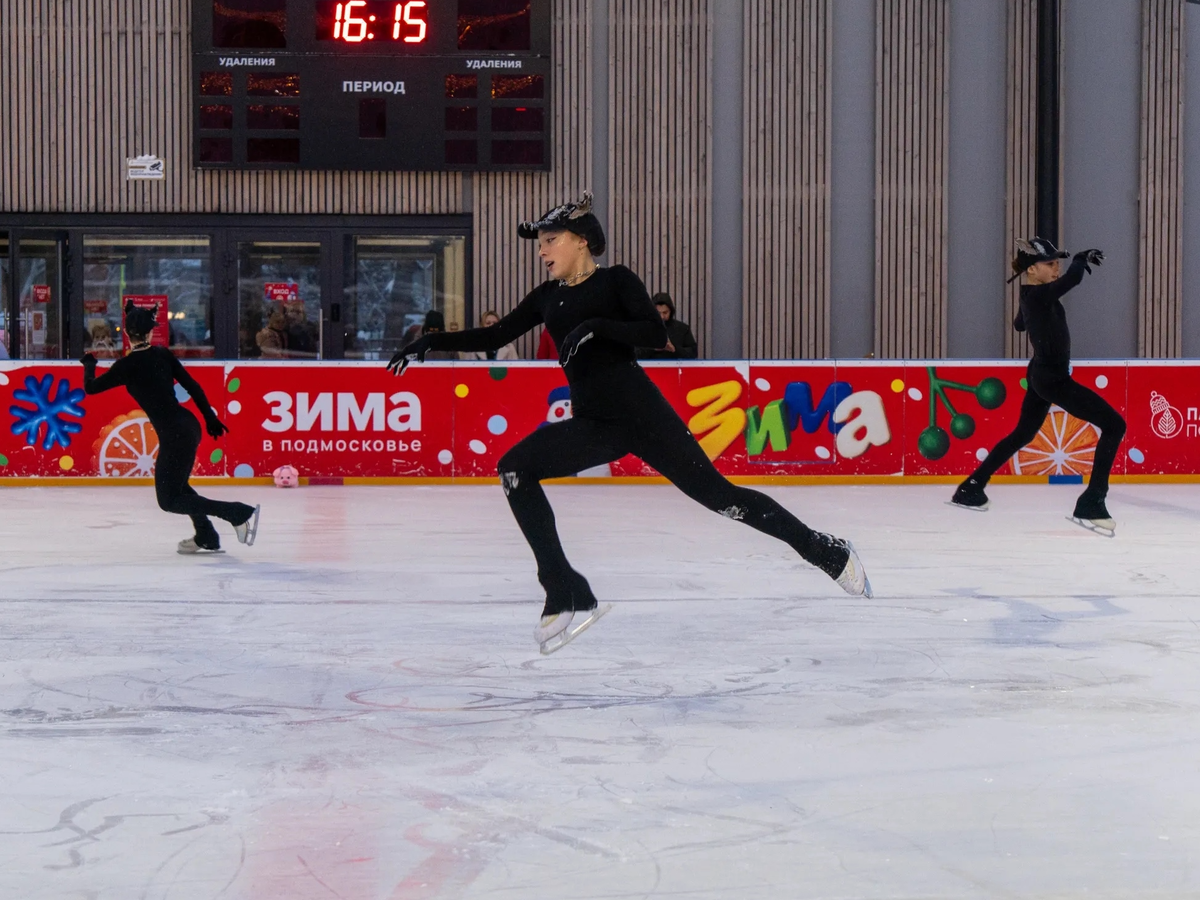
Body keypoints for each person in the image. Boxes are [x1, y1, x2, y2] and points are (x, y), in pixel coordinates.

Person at [388, 192, 871, 654]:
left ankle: (825, 551)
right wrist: (431, 342)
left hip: (643, 416)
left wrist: (595, 326)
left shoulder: (616, 281)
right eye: (540, 245)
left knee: (723, 499)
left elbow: (653, 332)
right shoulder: (546, 297)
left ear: (579, 240)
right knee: (515, 468)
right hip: (596, 422)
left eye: (549, 241)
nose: (542, 252)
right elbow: (495, 333)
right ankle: (564, 587)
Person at [950, 237, 1126, 535]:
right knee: (1115, 425)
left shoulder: (1033, 297)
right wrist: (1080, 259)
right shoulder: (1038, 297)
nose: (1057, 268)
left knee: (1022, 434)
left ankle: (972, 487)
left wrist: (1030, 318)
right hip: (1053, 379)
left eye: (1058, 262)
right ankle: (1092, 502)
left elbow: (1019, 325)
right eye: (1050, 263)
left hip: (1041, 374)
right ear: (1032, 270)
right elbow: (1072, 279)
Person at [81, 300, 261, 554]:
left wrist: (89, 364)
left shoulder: (126, 367)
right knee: (177, 486)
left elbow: (91, 388)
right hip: (189, 425)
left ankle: (236, 513)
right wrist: (209, 418)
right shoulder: (162, 354)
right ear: (149, 332)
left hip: (174, 435)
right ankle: (206, 534)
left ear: (128, 334)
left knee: (169, 500)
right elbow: (193, 386)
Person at [637, 293, 698, 360]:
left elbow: (693, 353)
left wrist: (674, 349)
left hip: (675, 369)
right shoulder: (643, 328)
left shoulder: (682, 329)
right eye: (658, 313)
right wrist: (653, 349)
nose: (662, 316)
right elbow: (633, 353)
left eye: (665, 313)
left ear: (671, 312)